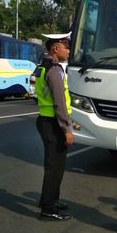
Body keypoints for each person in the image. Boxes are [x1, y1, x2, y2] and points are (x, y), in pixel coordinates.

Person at [34, 32, 74, 221]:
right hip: (53, 124)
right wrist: (67, 129)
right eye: (66, 47)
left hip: (46, 120)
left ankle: (49, 200)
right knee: (54, 167)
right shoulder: (55, 70)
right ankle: (48, 209)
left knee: (54, 165)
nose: (69, 51)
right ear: (55, 48)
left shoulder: (44, 66)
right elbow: (60, 103)